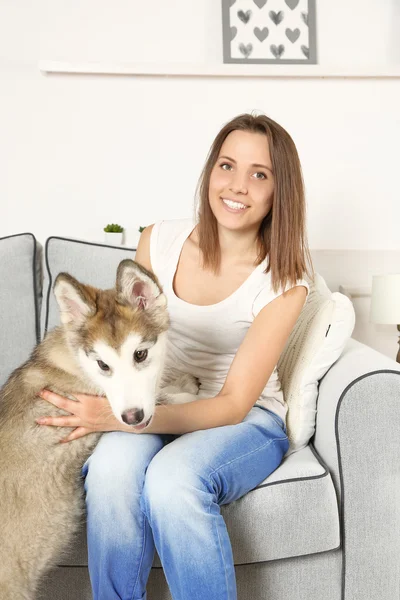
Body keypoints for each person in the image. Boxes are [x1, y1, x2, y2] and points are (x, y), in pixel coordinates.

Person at [38, 112, 315, 600]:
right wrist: (118, 410)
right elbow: (126, 342)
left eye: (259, 174)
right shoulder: (159, 241)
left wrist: (118, 419)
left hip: (246, 419)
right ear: (210, 171)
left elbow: (232, 403)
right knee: (109, 471)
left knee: (172, 481)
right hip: (162, 400)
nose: (237, 186)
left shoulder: (285, 279)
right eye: (227, 166)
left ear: (279, 191)